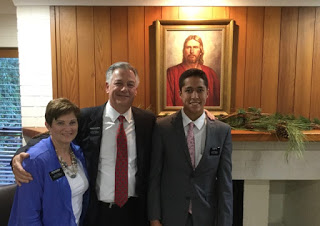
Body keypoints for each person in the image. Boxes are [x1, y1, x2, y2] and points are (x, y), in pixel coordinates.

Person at [11, 62, 156, 226]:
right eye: (119, 83)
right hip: (97, 212)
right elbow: (53, 135)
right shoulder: (86, 117)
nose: (124, 89)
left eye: (130, 84)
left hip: (135, 211)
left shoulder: (147, 121)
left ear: (136, 89)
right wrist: (19, 156)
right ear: (107, 87)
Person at [148, 68, 233, 226]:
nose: (194, 96)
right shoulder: (163, 128)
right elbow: (155, 177)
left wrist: (225, 222)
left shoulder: (222, 132)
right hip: (171, 215)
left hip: (206, 215)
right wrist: (154, 218)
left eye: (200, 90)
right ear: (180, 93)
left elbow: (225, 183)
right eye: (189, 90)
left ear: (207, 93)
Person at [8, 98, 89, 226]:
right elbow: (27, 215)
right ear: (48, 125)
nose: (68, 128)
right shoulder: (35, 160)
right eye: (60, 123)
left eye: (72, 122)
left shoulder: (78, 152)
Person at [167, 35, 220, 106]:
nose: (191, 51)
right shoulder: (172, 73)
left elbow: (218, 104)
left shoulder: (211, 73)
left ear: (201, 51)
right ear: (183, 51)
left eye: (195, 47)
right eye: (188, 47)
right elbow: (168, 105)